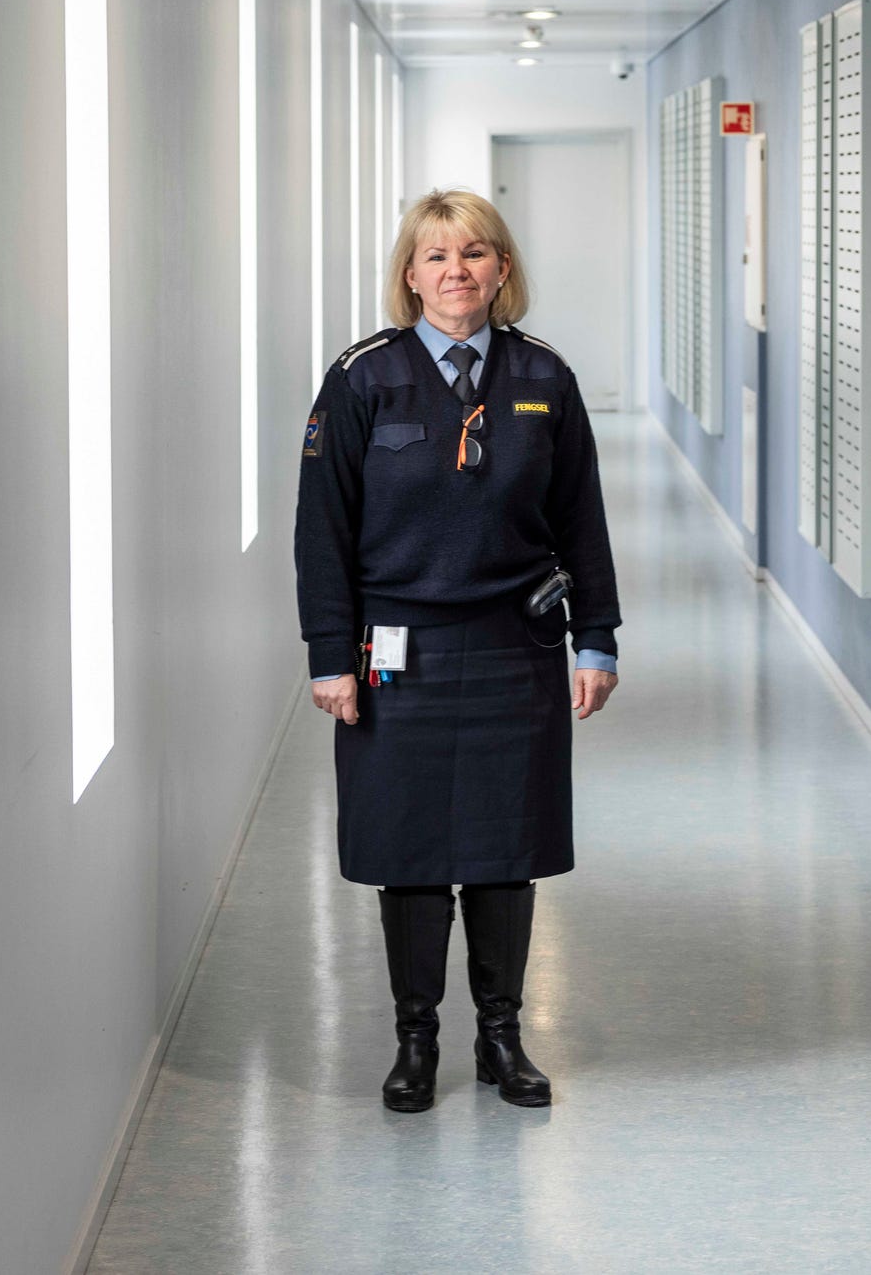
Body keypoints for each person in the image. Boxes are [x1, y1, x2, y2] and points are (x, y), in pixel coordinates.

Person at [294, 187, 621, 1113]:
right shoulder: (364, 379)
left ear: (503, 270)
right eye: (436, 257)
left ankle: (501, 1036)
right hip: (398, 648)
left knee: (501, 845)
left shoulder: (543, 379)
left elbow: (581, 520)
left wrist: (594, 637)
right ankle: (415, 1038)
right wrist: (330, 657)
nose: (456, 273)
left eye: (475, 254)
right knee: (408, 848)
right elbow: (322, 532)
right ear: (409, 275)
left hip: (515, 642)